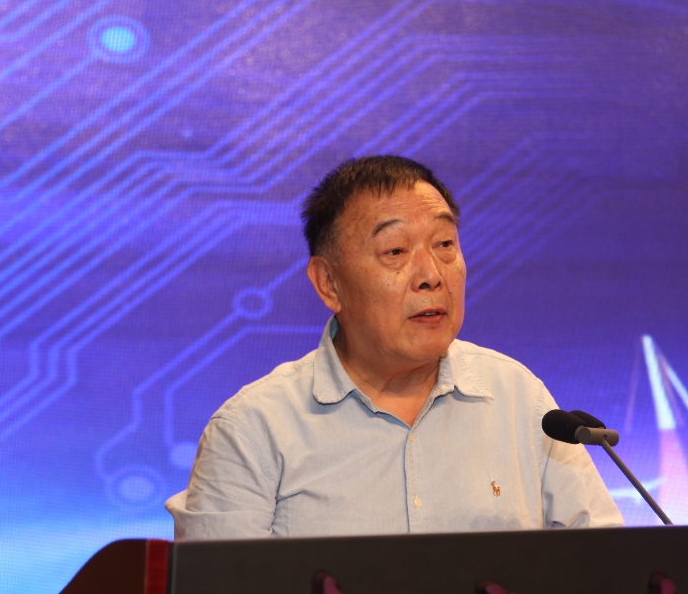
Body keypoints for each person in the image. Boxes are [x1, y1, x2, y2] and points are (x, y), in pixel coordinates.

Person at [166, 155, 622, 540]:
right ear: (329, 283)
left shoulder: (519, 399)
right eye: (396, 252)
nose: (431, 275)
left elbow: (605, 572)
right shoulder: (253, 431)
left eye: (445, 244)